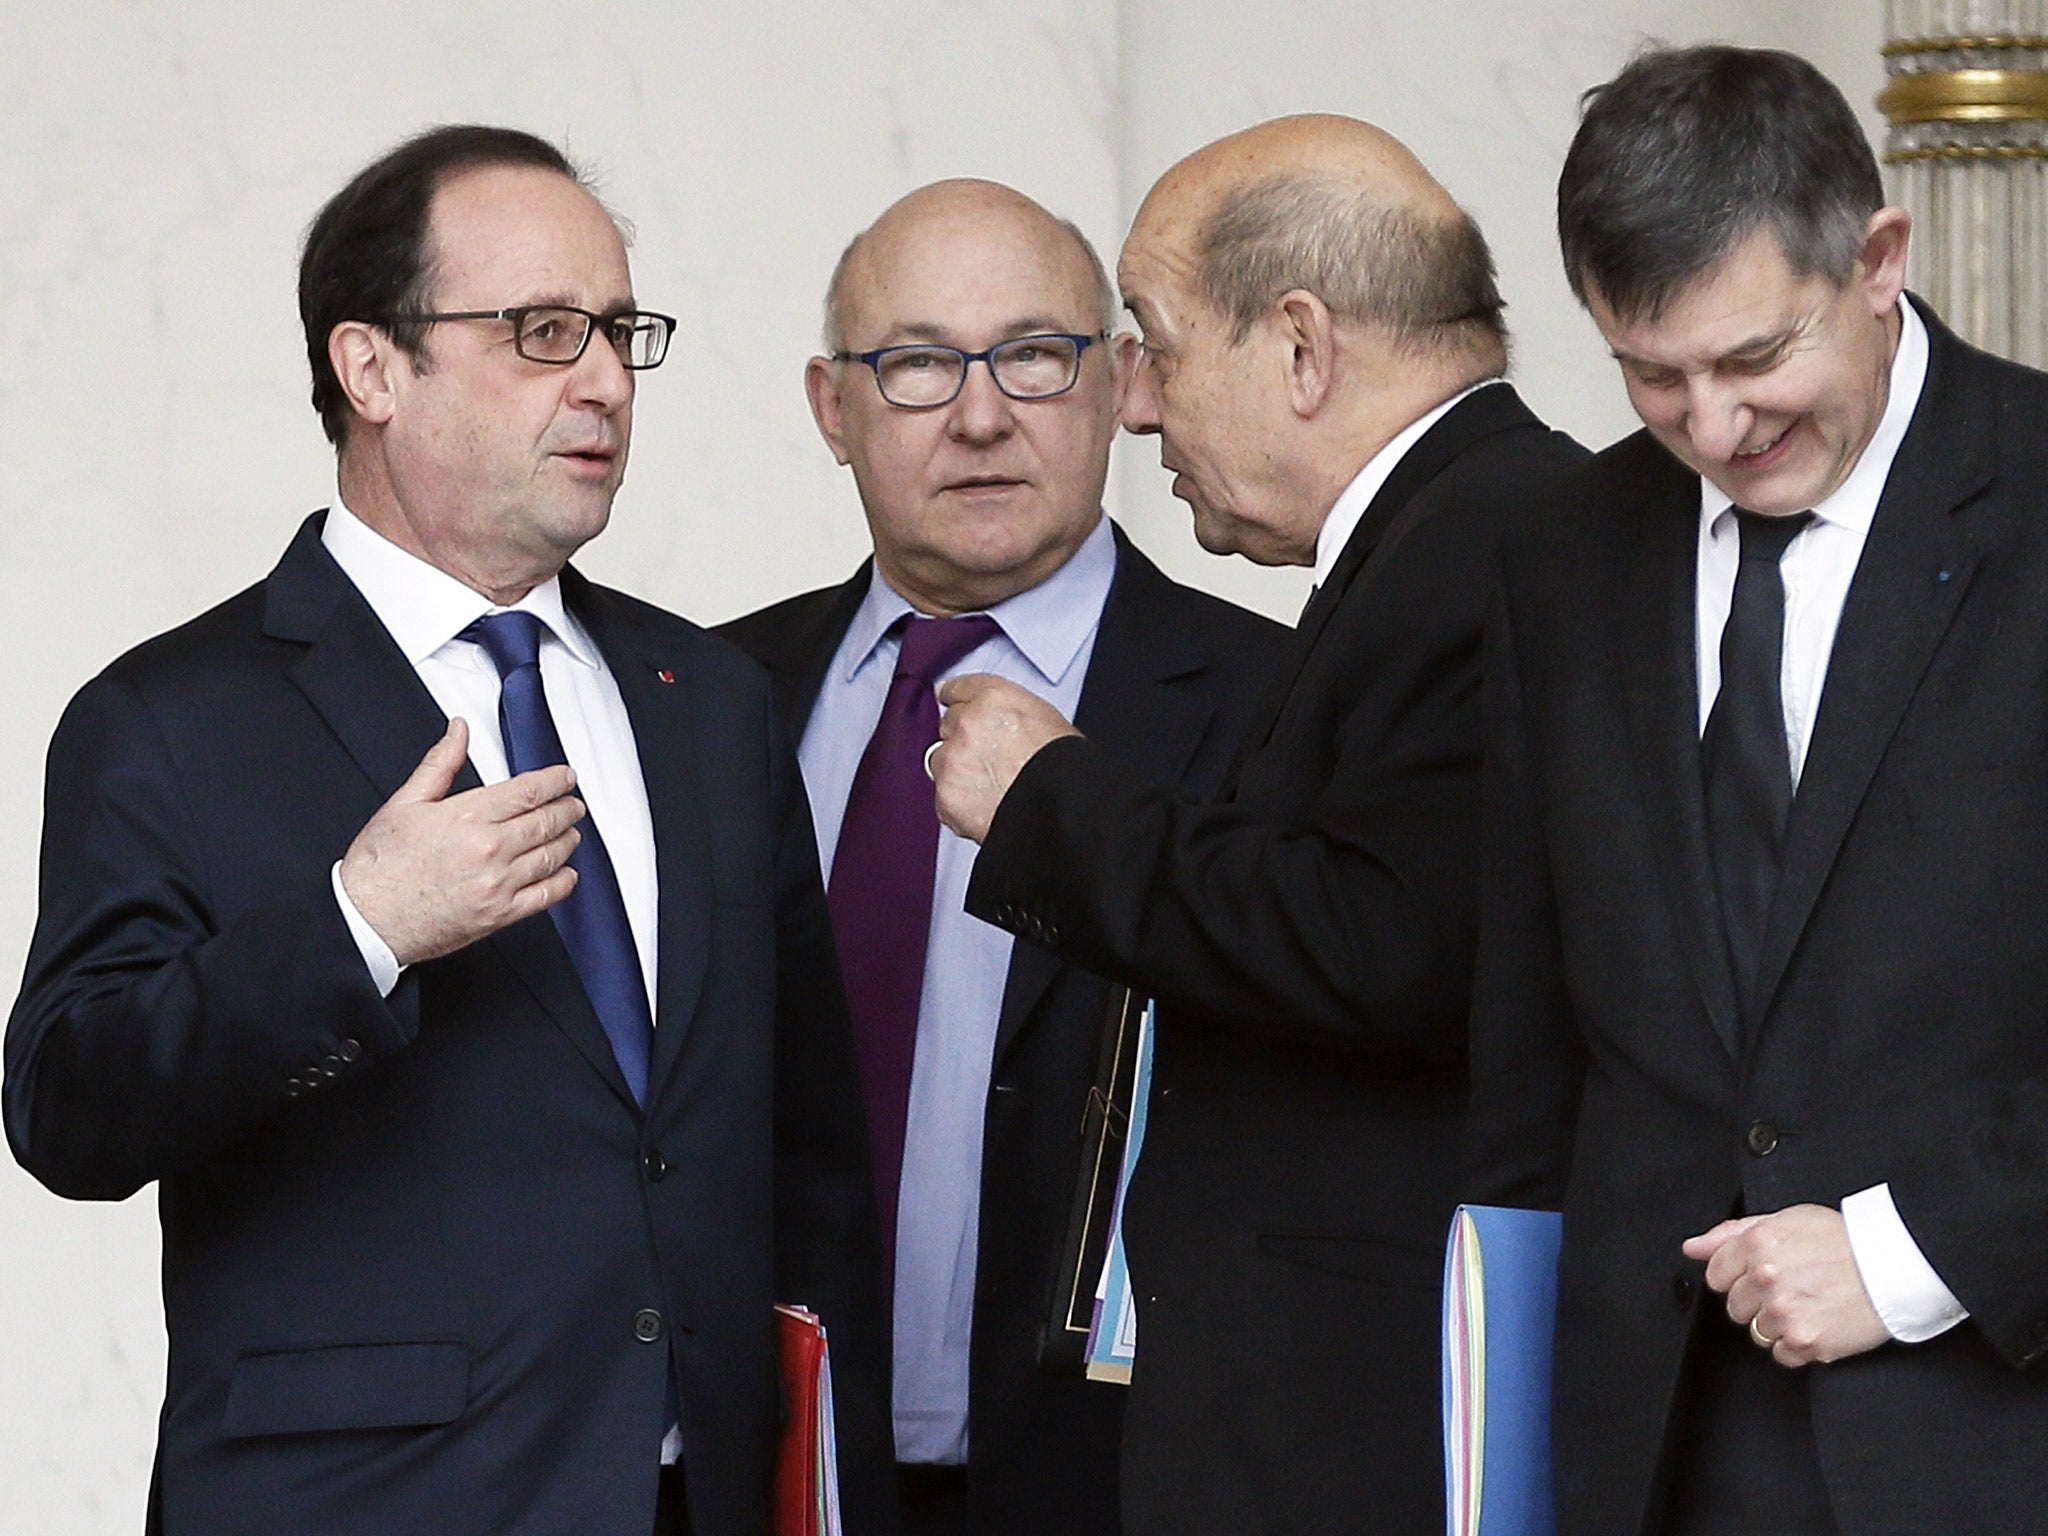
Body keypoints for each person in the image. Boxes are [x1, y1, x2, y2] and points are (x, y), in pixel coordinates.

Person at [3, 125, 892, 1536]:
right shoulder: (172, 716)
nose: (604, 380)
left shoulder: (708, 701)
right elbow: (70, 1111)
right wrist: (359, 929)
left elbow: (807, 1162)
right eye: (542, 332)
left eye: (618, 331)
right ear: (373, 371)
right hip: (369, 1501)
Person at [926, 116, 1586, 1534]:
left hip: (1370, 1433)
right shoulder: (1457, 535)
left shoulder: (1491, 545)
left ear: (1300, 346)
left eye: (1155, 346)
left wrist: (1051, 802)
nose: (1140, 408)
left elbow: (1391, 941)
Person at [1469, 44, 2048, 1536]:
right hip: (1646, 1454)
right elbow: (1533, 1048)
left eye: (1752, 360)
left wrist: (1918, 1253)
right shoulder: (1565, 552)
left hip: (1993, 1426)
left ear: (1876, 260)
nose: (1714, 429)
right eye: (1651, 375)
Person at [719, 178, 1283, 1536]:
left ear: (1119, 382)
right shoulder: (708, 697)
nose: (981, 417)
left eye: (1033, 355)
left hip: (1133, 1479)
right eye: (916, 365)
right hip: (770, 1476)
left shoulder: (1273, 704)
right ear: (829, 405)